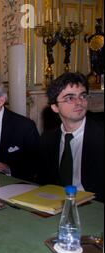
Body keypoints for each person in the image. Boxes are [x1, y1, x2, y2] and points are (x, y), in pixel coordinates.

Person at [38, 72, 104, 201]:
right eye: (70, 98)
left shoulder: (100, 135)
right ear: (55, 107)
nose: (79, 102)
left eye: (83, 96)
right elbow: (44, 182)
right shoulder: (48, 139)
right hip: (57, 203)